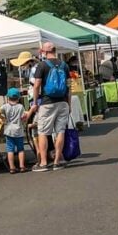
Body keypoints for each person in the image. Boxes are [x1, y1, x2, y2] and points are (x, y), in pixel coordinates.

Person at [31, 41, 71, 172]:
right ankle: (57, 160)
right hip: (63, 102)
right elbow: (69, 86)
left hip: (47, 102)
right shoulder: (64, 65)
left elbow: (37, 85)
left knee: (43, 131)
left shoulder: (41, 65)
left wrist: (35, 102)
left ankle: (43, 163)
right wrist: (69, 103)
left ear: (44, 52)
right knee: (60, 131)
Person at [0, 87, 27, 173]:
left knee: (10, 149)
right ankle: (22, 166)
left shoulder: (5, 106)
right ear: (18, 98)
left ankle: (12, 167)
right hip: (18, 130)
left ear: (8, 97)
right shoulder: (21, 107)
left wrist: (2, 118)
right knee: (20, 149)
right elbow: (23, 117)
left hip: (9, 130)